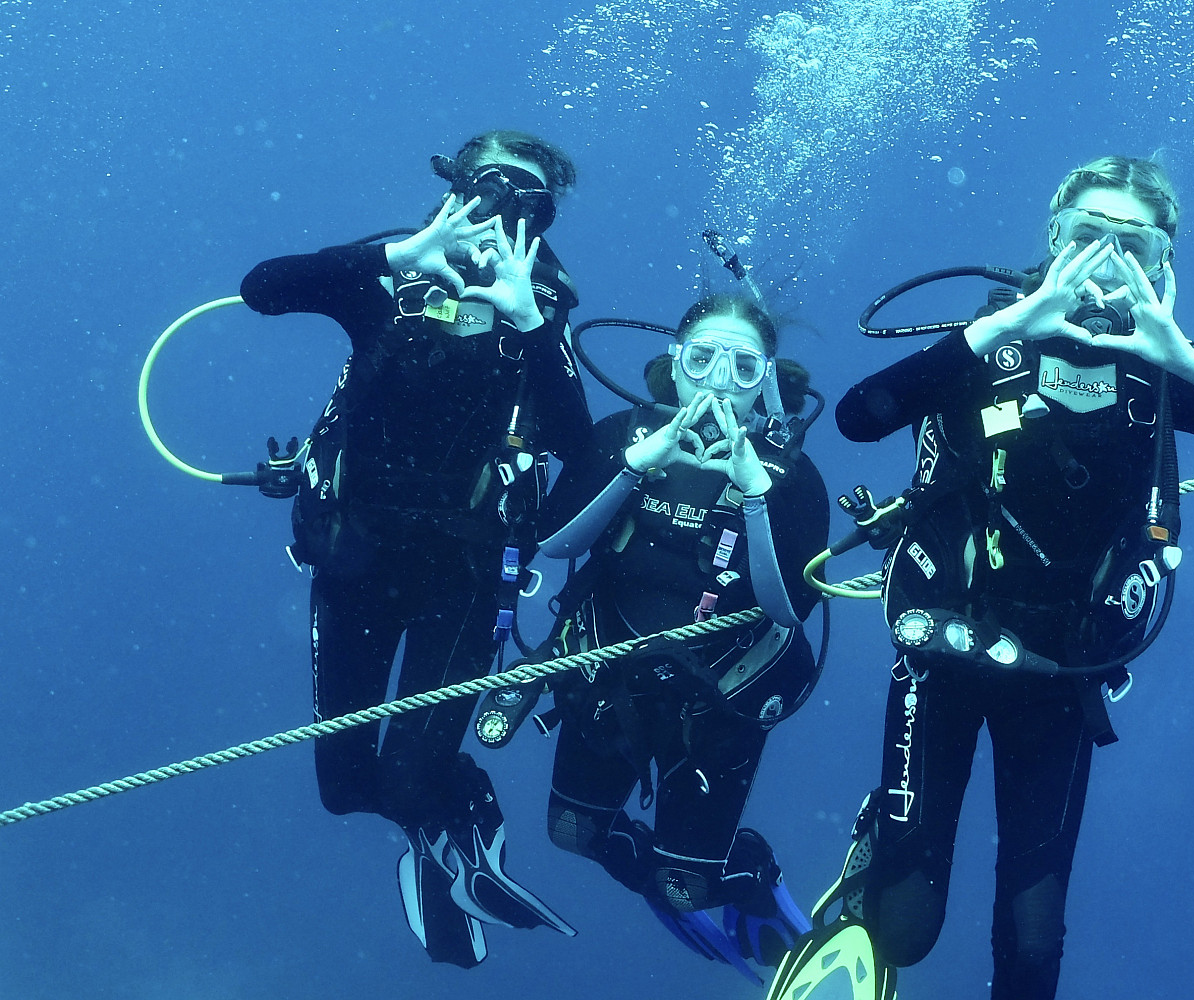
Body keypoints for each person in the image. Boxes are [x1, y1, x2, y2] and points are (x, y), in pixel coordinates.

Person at [767, 156, 1194, 1000]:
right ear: (1052, 238)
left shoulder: (1157, 369)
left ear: (1163, 262)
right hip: (946, 647)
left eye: (1132, 244)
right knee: (907, 932)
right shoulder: (989, 343)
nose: (1105, 257)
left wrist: (1187, 360)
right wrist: (1007, 327)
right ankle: (871, 857)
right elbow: (859, 415)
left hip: (1062, 669)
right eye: (1086, 234)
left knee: (1033, 948)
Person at [238, 130, 591, 968]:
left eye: (528, 199)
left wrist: (530, 320)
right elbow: (261, 290)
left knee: (404, 776)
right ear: (456, 187)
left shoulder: (540, 304)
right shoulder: (385, 274)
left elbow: (578, 442)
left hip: (463, 576)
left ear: (543, 219)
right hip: (355, 558)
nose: (505, 206)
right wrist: (402, 253)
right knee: (343, 790)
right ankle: (443, 826)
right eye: (491, 185)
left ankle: (457, 819)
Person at [533, 294, 831, 982]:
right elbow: (553, 543)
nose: (720, 379)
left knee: (687, 888)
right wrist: (638, 464)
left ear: (766, 381)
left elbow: (788, 611)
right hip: (609, 688)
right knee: (570, 834)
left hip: (719, 703)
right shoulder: (621, 436)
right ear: (675, 364)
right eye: (702, 358)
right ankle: (673, 870)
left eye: (744, 366)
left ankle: (746, 876)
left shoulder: (791, 476)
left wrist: (755, 495)